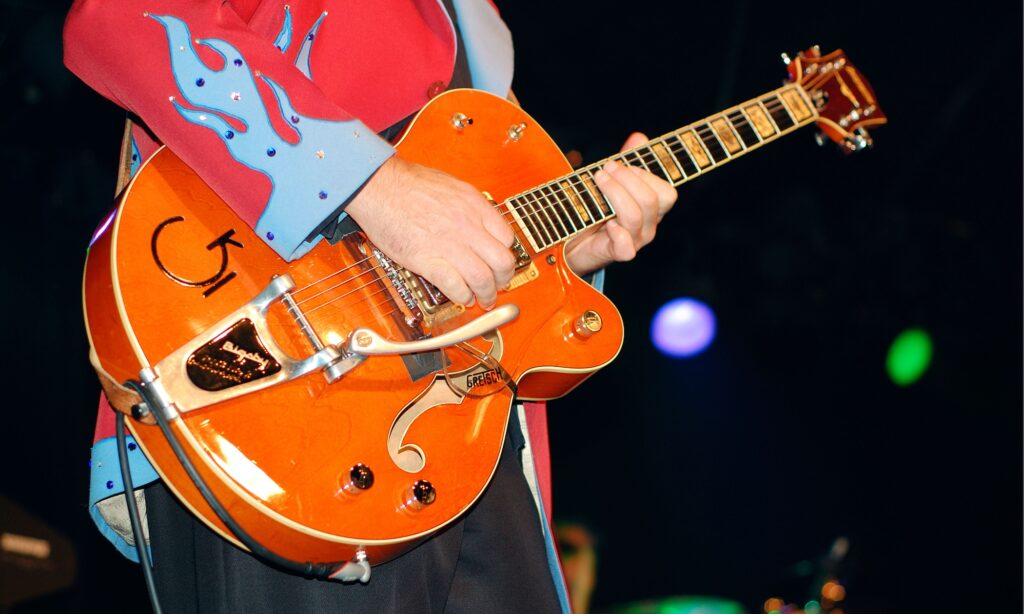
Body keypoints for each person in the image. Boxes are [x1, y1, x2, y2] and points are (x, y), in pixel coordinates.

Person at [63, 1, 677, 611]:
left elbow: (472, 221)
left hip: (467, 436)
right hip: (287, 393)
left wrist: (567, 250)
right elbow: (124, 17)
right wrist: (372, 184)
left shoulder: (479, 22)